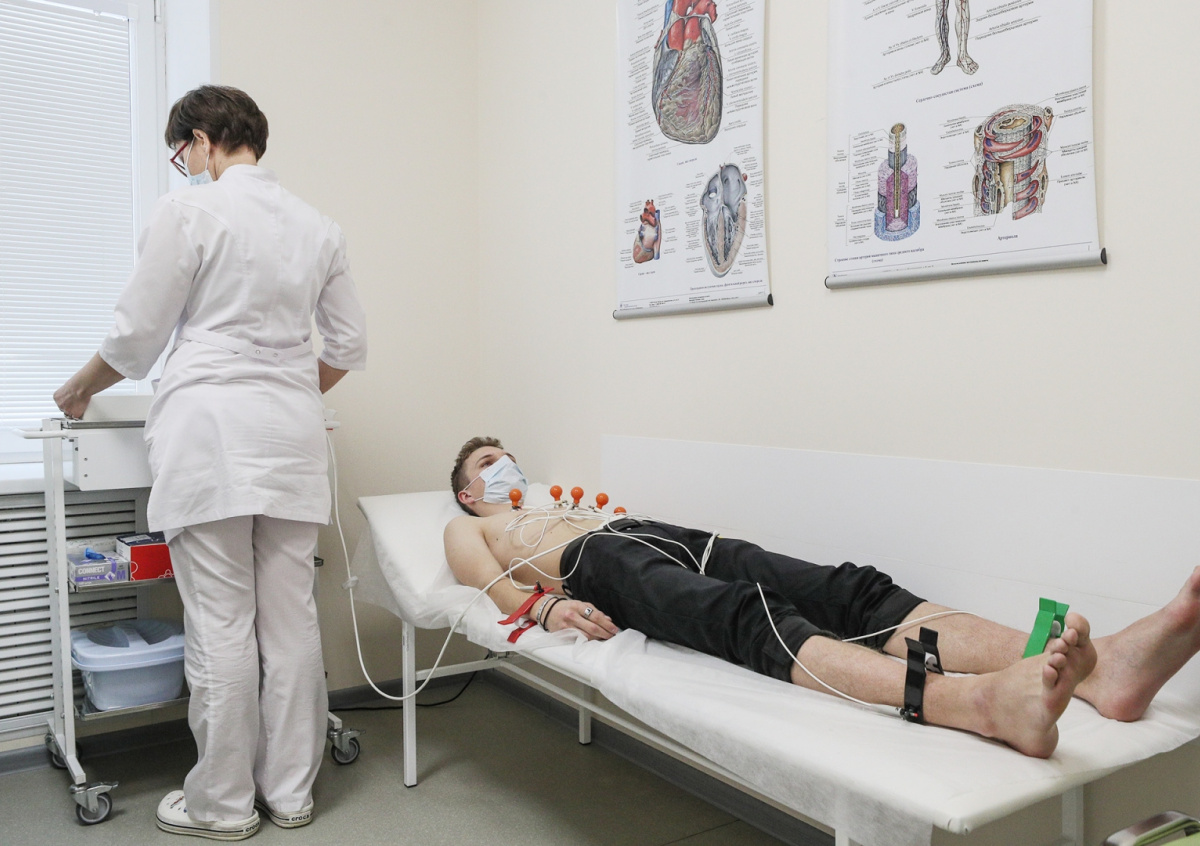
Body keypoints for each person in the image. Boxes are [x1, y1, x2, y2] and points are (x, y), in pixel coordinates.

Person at [446, 437, 1200, 760]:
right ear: (467, 490)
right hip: (595, 562)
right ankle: (975, 705)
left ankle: (1101, 673)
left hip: (654, 532)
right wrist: (546, 608)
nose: (505, 464)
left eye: (507, 455)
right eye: (488, 462)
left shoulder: (549, 495)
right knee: (749, 617)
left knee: (845, 589)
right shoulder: (471, 525)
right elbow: (491, 584)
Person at [54, 86, 367, 840]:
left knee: (222, 623)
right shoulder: (319, 227)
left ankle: (223, 806)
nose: (185, 166)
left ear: (200, 140)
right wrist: (284, 387)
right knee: (290, 621)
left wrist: (80, 389)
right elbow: (349, 347)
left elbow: (137, 336)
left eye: (182, 153)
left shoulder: (190, 210)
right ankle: (290, 795)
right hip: (293, 440)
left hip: (211, 437)